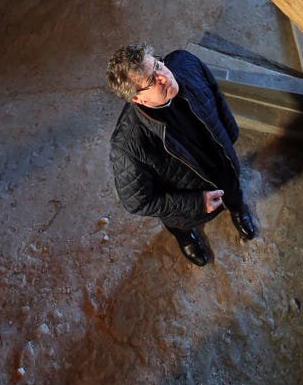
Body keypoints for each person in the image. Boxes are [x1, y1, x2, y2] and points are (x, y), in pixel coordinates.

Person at [106, 44, 257, 266]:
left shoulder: (186, 63)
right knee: (180, 225)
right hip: (189, 203)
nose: (164, 77)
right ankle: (186, 236)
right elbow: (137, 202)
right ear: (137, 99)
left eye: (158, 65)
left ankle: (237, 208)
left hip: (223, 168)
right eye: (151, 81)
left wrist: (230, 134)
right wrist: (196, 204)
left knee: (234, 190)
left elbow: (215, 95)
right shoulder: (128, 146)